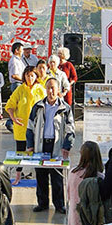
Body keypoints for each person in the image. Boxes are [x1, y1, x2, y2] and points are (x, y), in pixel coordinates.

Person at [26, 78, 75, 214]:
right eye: (48, 88)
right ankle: (42, 203)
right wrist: (30, 145)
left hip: (56, 147)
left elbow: (71, 129)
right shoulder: (38, 106)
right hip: (41, 146)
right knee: (41, 177)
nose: (51, 91)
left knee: (57, 178)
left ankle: (59, 205)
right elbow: (30, 127)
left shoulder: (65, 108)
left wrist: (67, 146)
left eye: (53, 88)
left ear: (58, 89)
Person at [5, 65, 46, 185]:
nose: (30, 78)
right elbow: (10, 105)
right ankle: (18, 176)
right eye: (27, 75)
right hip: (21, 126)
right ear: (24, 76)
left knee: (38, 152)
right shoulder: (20, 89)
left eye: (32, 75)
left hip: (37, 128)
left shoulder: (41, 89)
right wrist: (13, 118)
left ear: (36, 76)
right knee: (20, 153)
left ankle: (40, 178)